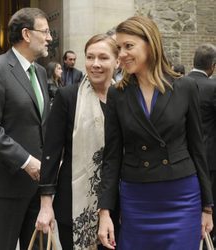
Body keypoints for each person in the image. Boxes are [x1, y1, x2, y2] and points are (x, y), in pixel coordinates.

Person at [98, 16, 213, 250]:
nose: (121, 55)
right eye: (118, 48)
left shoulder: (185, 87)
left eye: (129, 46)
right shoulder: (117, 95)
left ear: (150, 44)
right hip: (136, 198)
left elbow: (197, 148)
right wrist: (105, 211)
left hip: (182, 197)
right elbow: (111, 157)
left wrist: (207, 207)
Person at [0, 7, 51, 250]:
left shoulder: (39, 71)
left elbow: (40, 124)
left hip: (38, 186)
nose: (50, 37)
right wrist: (26, 161)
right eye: (46, 31)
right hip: (5, 184)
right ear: (27, 34)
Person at [35, 34, 119, 250]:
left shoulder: (126, 97)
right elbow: (51, 152)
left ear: (117, 62)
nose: (95, 64)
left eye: (103, 57)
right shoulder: (67, 97)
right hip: (73, 203)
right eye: (90, 57)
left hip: (120, 202)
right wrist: (46, 204)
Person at [188, 43, 216, 244]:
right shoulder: (213, 87)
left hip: (184, 157)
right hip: (209, 157)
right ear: (213, 66)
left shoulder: (177, 84)